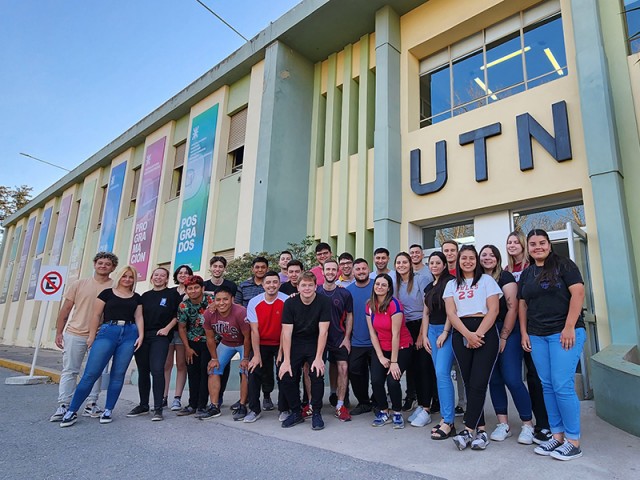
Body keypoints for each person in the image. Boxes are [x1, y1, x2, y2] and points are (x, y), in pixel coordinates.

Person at [520, 229, 586, 461]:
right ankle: (557, 436)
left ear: (549, 244)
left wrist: (569, 326)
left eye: (542, 243)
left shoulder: (564, 265)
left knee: (562, 385)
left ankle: (573, 441)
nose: (538, 247)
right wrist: (524, 332)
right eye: (533, 244)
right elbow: (522, 305)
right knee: (547, 385)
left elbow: (578, 294)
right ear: (528, 248)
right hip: (537, 335)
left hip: (564, 333)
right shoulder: (527, 274)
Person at [60, 265, 143, 427]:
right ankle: (72, 410)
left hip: (129, 333)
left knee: (118, 374)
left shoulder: (137, 297)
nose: (127, 279)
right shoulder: (106, 293)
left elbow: (139, 317)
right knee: (91, 373)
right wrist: (92, 336)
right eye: (125, 276)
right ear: (119, 276)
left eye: (131, 277)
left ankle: (108, 410)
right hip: (107, 331)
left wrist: (141, 336)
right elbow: (96, 315)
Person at [444, 245, 501, 451]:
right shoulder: (451, 284)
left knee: (478, 382)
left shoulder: (487, 280)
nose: (467, 261)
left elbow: (493, 310)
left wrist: (478, 335)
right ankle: (482, 430)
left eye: (471, 258)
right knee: (468, 383)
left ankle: (468, 430)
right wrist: (467, 335)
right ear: (458, 261)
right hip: (461, 332)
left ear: (476, 261)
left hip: (484, 331)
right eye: (464, 258)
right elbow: (451, 313)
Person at [51, 252, 118, 422]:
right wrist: (59, 332)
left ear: (113, 267)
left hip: (102, 336)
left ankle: (91, 404)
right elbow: (65, 309)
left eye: (107, 264)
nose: (103, 266)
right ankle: (64, 404)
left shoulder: (115, 286)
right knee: (70, 370)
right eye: (100, 263)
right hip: (75, 332)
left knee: (97, 372)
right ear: (94, 264)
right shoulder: (79, 284)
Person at [479, 245, 535, 444]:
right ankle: (503, 424)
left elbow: (512, 308)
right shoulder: (478, 280)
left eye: (491, 255)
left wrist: (504, 336)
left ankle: (528, 424)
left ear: (498, 258)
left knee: (512, 378)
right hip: (486, 332)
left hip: (507, 331)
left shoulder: (506, 278)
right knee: (494, 379)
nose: (487, 258)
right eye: (483, 255)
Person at [506, 231, 552, 444]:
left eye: (516, 242)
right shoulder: (506, 270)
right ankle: (532, 422)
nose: (512, 245)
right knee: (516, 377)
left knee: (536, 376)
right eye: (509, 242)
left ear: (524, 245)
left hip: (534, 328)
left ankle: (545, 423)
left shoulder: (531, 268)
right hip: (513, 331)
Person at [278, 271, 331, 430]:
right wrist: (286, 361)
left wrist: (319, 357)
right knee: (286, 375)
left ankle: (316, 412)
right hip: (295, 343)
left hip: (315, 342)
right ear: (298, 287)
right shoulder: (290, 303)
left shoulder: (324, 301)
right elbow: (286, 333)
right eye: (303, 285)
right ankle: (296, 412)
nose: (307, 288)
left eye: (310, 285)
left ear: (316, 286)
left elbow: (324, 331)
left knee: (317, 374)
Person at [128, 267, 181, 421]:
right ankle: (143, 405)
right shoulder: (144, 296)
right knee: (143, 370)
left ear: (167, 279)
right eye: (156, 275)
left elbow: (177, 315)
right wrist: (140, 335)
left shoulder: (172, 294)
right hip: (143, 336)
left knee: (157, 370)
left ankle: (158, 408)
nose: (159, 277)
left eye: (162, 275)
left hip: (161, 336)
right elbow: (139, 317)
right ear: (152, 278)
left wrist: (167, 329)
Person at [393, 252, 435, 427]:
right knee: (413, 370)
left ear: (410, 264)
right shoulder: (395, 282)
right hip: (404, 326)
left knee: (424, 367)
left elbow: (428, 307)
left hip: (421, 325)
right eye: (398, 262)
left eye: (405, 262)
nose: (401, 265)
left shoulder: (420, 279)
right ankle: (420, 404)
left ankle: (427, 408)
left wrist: (421, 335)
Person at [366, 273, 413, 429]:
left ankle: (397, 412)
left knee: (393, 381)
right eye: (377, 284)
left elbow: (396, 335)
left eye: (383, 285)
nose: (379, 287)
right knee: (376, 381)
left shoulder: (394, 304)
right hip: (381, 347)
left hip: (401, 347)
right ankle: (384, 410)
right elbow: (372, 333)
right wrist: (380, 356)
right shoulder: (370, 305)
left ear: (388, 288)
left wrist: (393, 362)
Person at [199, 286, 251, 420]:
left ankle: (242, 405)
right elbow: (210, 338)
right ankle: (214, 406)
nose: (221, 303)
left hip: (242, 343)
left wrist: (245, 357)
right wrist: (214, 358)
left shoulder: (240, 312)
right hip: (226, 342)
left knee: (245, 370)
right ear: (214, 300)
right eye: (218, 300)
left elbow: (248, 337)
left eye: (225, 299)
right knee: (213, 368)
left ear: (232, 300)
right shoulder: (209, 313)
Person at [244, 271, 289, 422]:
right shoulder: (254, 302)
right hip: (261, 344)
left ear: (279, 284)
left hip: (281, 343)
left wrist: (282, 352)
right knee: (254, 371)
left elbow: (285, 329)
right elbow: (254, 330)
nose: (271, 285)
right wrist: (256, 355)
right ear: (263, 285)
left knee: (283, 373)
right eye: (268, 282)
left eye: (275, 282)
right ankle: (254, 410)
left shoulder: (286, 301)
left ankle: (284, 409)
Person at [422, 252, 456, 440]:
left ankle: (449, 422)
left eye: (438, 263)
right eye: (431, 263)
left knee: (443, 373)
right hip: (432, 333)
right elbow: (425, 313)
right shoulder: (429, 286)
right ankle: (445, 417)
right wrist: (425, 335)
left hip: (447, 331)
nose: (434, 265)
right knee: (439, 374)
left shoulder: (450, 282)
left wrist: (445, 332)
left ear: (444, 265)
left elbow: (452, 311)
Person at [317, 259, 353, 421]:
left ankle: (340, 405)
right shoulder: (314, 291)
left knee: (343, 369)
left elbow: (350, 316)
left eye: (333, 269)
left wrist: (347, 338)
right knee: (311, 370)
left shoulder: (344, 293)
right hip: (318, 339)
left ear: (337, 272)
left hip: (339, 338)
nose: (330, 272)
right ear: (322, 272)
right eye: (327, 269)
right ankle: (312, 404)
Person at [175, 275, 214, 417]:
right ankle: (192, 404)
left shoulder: (212, 301)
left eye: (196, 287)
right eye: (190, 288)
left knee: (206, 372)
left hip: (211, 342)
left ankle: (202, 406)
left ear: (203, 288)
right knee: (193, 373)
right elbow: (182, 328)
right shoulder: (183, 305)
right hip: (192, 342)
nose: (193, 291)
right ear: (186, 291)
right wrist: (187, 348)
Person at [346, 258, 375, 416]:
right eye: (358, 269)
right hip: (357, 340)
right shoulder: (348, 291)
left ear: (368, 269)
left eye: (364, 268)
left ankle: (377, 401)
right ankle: (364, 402)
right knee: (355, 371)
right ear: (353, 271)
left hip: (376, 340)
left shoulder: (377, 286)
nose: (361, 271)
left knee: (377, 375)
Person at [162, 264, 192, 412]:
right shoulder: (170, 292)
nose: (183, 275)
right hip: (168, 332)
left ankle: (177, 398)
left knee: (181, 364)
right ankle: (163, 397)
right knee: (166, 365)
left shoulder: (192, 291)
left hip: (183, 332)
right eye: (180, 272)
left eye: (186, 273)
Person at [442, 239, 466, 417]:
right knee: (444, 369)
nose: (449, 253)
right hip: (441, 326)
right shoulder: (439, 273)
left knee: (461, 368)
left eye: (452, 250)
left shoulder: (462, 273)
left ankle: (463, 403)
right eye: (446, 251)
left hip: (461, 325)